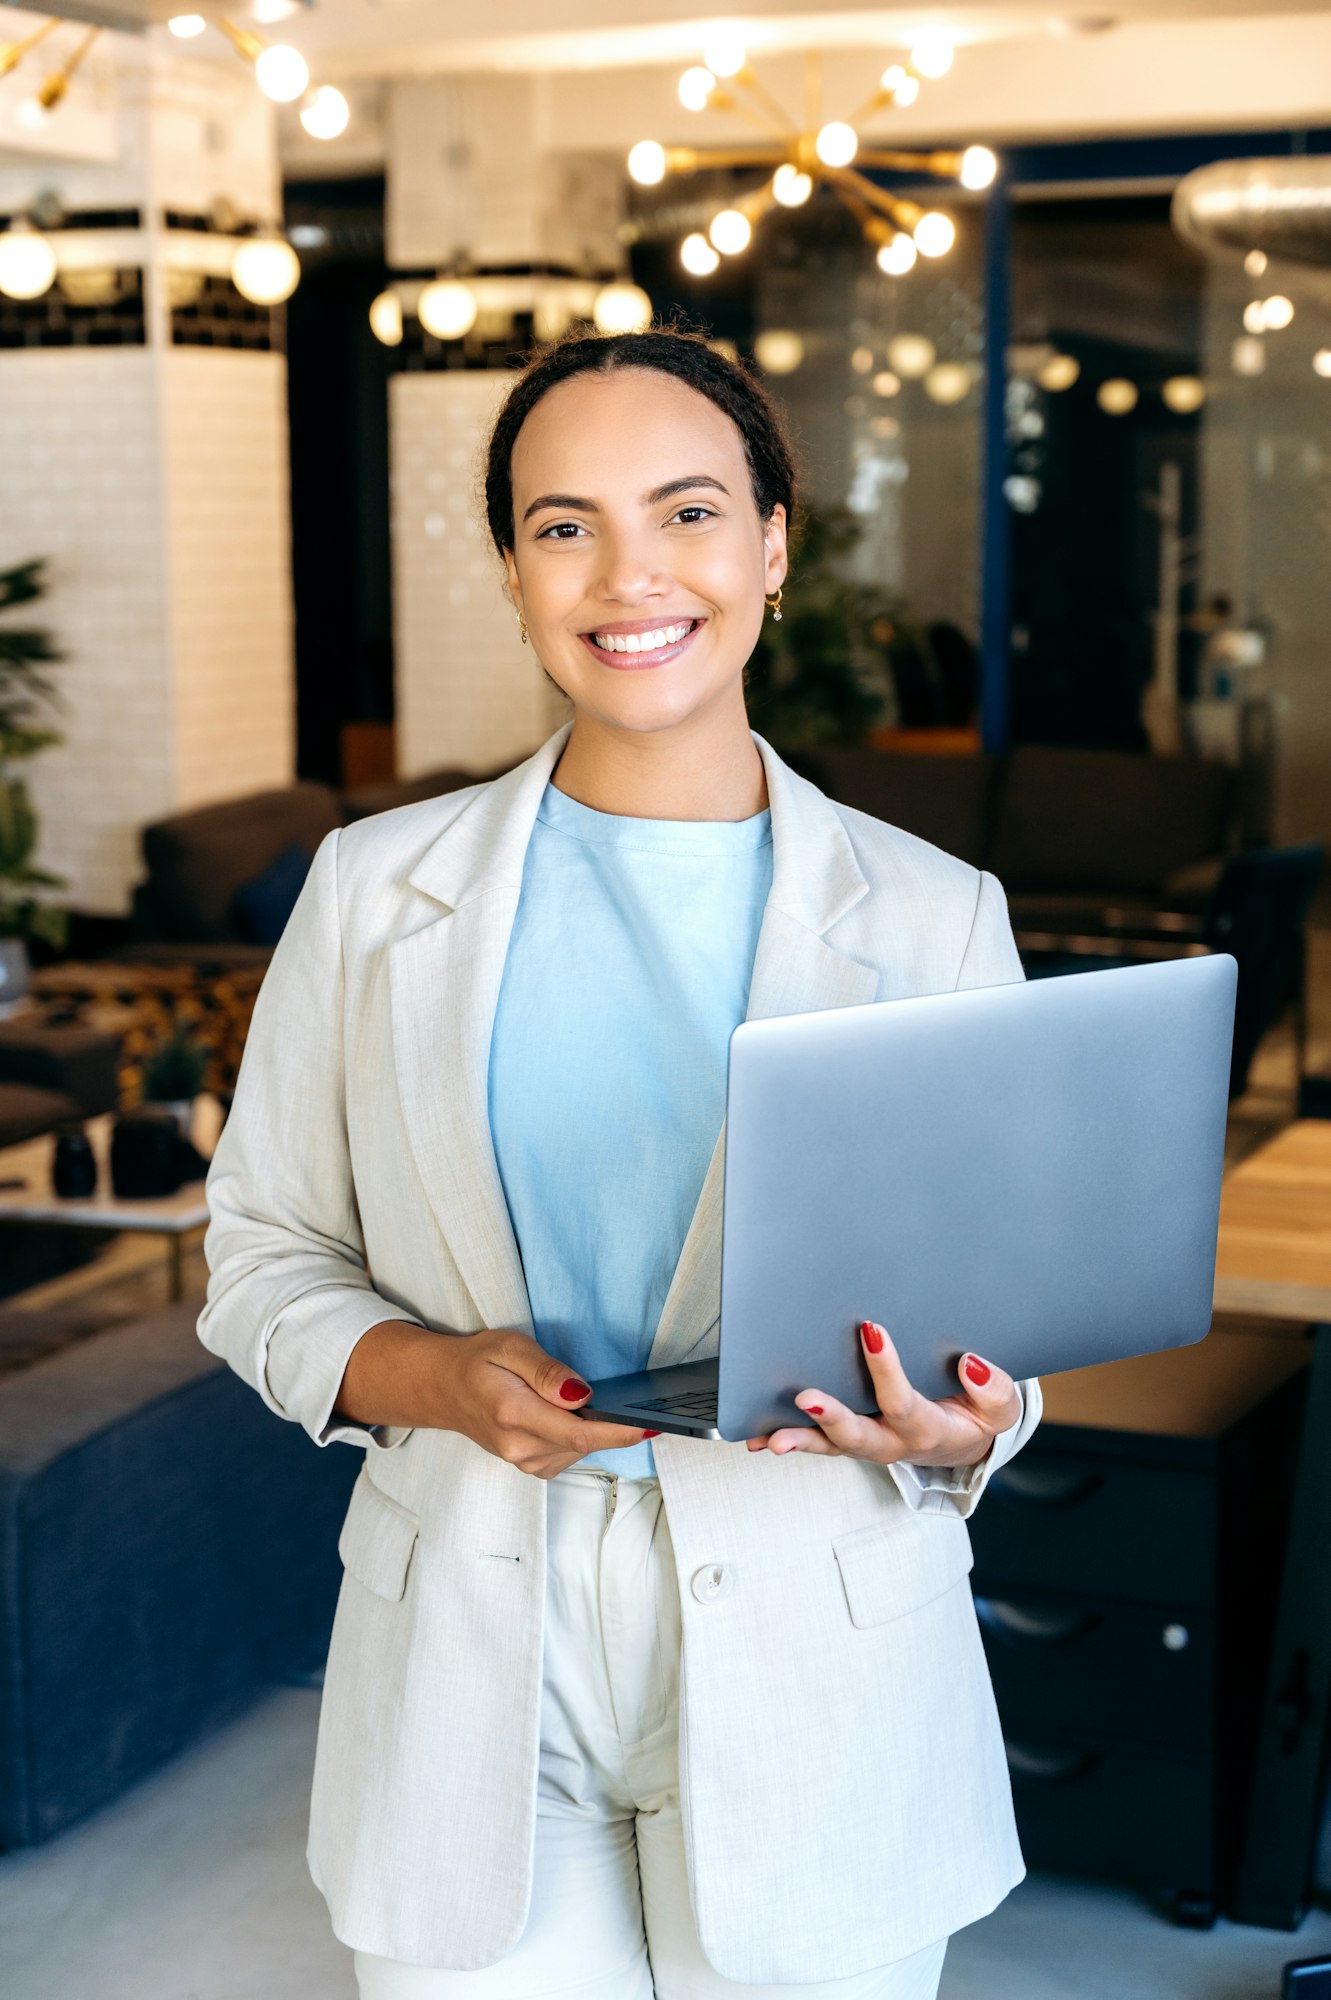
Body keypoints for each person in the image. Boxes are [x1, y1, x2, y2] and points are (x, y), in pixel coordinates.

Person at [198, 326, 1043, 2000]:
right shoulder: (373, 891)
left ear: (774, 541)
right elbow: (263, 1253)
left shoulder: (938, 914)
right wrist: (434, 1374)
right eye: (564, 524)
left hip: (823, 1627)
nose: (628, 574)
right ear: (513, 573)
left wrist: (980, 1421)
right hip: (471, 1643)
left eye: (688, 511)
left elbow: (997, 1326)